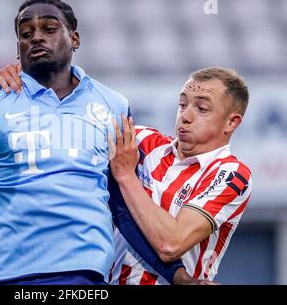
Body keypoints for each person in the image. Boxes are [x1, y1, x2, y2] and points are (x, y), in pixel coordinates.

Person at [0, 0, 194, 285]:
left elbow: (122, 209)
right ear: (18, 48)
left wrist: (176, 276)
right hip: (8, 276)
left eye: (49, 29)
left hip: (85, 279)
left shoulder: (113, 105)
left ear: (74, 39)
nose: (36, 37)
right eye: (26, 34)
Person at [108, 67, 252, 284]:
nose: (185, 116)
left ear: (232, 122)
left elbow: (171, 244)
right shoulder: (141, 140)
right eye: (182, 104)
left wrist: (126, 177)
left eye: (202, 108)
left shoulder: (231, 174)